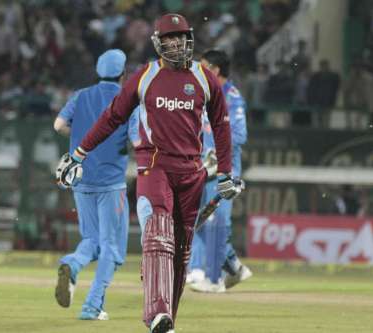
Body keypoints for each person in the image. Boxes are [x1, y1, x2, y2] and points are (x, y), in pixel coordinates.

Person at [56, 14, 239, 333]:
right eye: (170, 38)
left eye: (181, 37)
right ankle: (156, 312)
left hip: (192, 173)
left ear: (189, 39)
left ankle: (166, 319)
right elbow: (112, 118)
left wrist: (225, 173)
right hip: (155, 166)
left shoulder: (204, 78)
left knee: (181, 253)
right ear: (159, 42)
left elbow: (222, 128)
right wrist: (79, 153)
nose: (177, 43)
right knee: (157, 234)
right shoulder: (145, 76)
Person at [53, 49, 140, 321]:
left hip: (81, 180)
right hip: (111, 183)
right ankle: (92, 305)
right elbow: (138, 141)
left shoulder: (80, 96)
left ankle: (71, 263)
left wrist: (79, 138)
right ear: (123, 74)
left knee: (91, 239)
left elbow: (58, 125)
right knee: (112, 248)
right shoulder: (127, 100)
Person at [188, 50, 252, 293]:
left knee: (215, 221)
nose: (198, 72)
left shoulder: (232, 97)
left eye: (203, 67)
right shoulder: (202, 94)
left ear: (215, 70)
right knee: (199, 219)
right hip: (204, 167)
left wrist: (214, 151)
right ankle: (232, 268)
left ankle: (211, 278)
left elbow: (239, 134)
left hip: (224, 168)